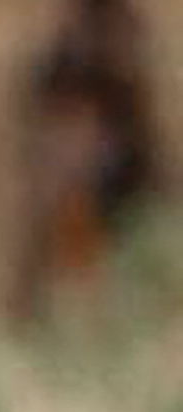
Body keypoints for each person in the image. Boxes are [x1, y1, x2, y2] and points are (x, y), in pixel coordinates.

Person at [9, 0, 164, 322]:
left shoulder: (122, 29)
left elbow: (138, 103)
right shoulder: (65, 41)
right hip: (77, 173)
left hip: (118, 167)